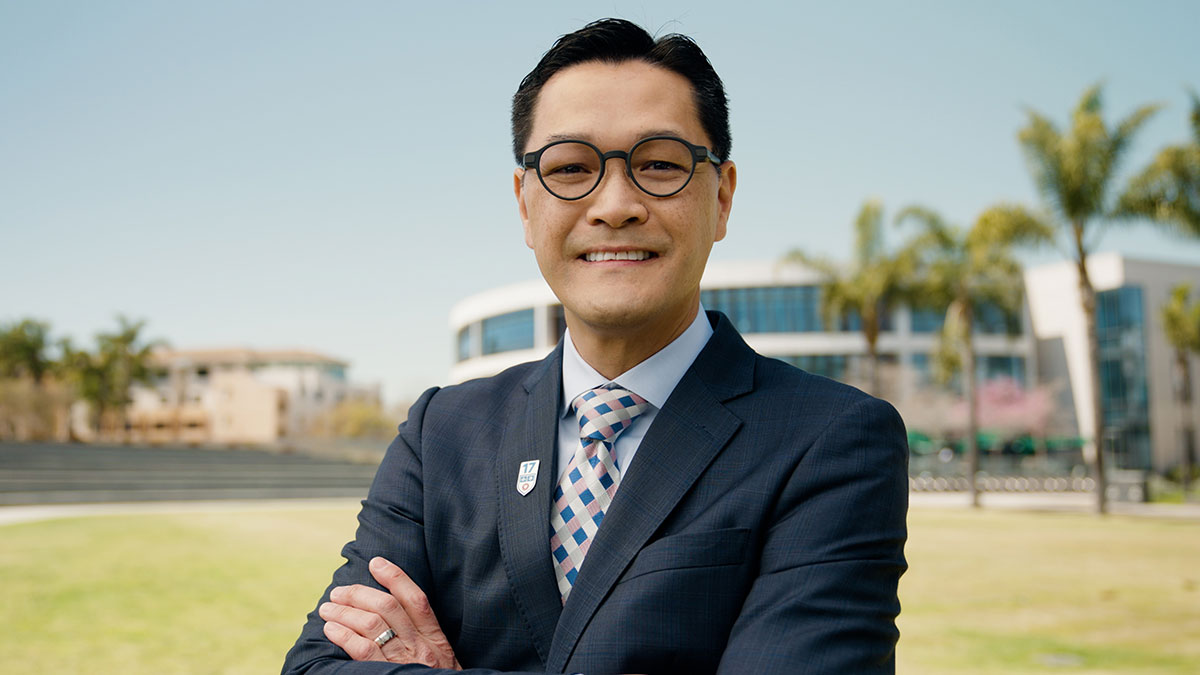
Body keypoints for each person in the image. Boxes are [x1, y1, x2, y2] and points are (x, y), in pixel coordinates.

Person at [282, 17, 908, 674]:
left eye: (659, 163)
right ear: (525, 204)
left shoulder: (832, 439)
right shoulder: (441, 432)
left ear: (721, 198)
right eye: (572, 167)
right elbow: (315, 666)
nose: (615, 204)